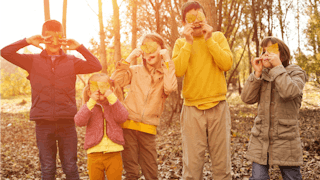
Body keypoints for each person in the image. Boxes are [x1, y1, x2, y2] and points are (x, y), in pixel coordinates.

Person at [1, 19, 102, 179]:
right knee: (47, 168)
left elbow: (96, 66)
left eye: (58, 37)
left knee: (70, 167)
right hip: (43, 123)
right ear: (43, 38)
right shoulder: (32, 61)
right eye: (49, 38)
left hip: (67, 122)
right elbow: (5, 52)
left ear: (63, 38)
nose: (54, 42)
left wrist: (79, 47)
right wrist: (27, 41)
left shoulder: (72, 61)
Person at [172, 1, 233, 179]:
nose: (196, 21)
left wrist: (209, 40)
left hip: (218, 107)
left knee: (222, 165)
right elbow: (177, 71)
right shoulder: (180, 43)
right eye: (191, 18)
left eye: (199, 16)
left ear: (206, 18)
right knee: (192, 166)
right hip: (192, 109)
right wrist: (188, 42)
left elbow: (226, 64)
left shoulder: (218, 37)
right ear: (184, 23)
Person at [111, 33, 177, 179]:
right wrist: (128, 59)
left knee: (151, 171)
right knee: (131, 171)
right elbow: (115, 81)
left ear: (161, 50)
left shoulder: (164, 73)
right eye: (145, 47)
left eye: (153, 47)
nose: (149, 51)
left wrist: (168, 61)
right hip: (128, 126)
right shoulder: (135, 70)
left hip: (148, 129)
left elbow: (170, 88)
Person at [241, 37, 307, 180]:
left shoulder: (296, 72)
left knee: (292, 177)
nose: (266, 54)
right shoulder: (262, 75)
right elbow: (247, 98)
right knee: (258, 178)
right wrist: (257, 74)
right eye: (264, 51)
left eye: (271, 51)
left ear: (282, 55)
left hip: (286, 139)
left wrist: (277, 67)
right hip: (261, 138)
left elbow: (289, 92)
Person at [74, 73, 128, 180]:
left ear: (111, 89)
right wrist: (91, 101)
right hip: (94, 153)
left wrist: (111, 97)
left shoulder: (114, 105)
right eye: (96, 87)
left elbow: (122, 117)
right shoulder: (89, 106)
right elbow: (79, 121)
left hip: (114, 152)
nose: (100, 90)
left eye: (103, 86)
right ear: (89, 92)